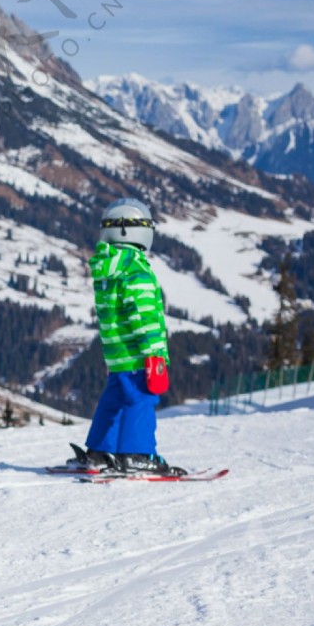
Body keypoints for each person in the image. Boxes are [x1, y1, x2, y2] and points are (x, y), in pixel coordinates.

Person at [63, 198, 185, 476]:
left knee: (114, 400)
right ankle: (138, 455)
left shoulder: (107, 269)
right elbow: (143, 316)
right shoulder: (135, 270)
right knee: (141, 399)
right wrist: (154, 353)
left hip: (116, 353)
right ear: (133, 230)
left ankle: (99, 453)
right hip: (139, 353)